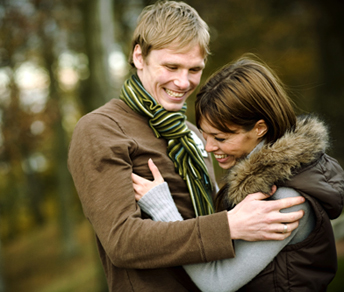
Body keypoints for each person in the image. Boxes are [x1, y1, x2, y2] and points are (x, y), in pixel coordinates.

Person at [68, 2, 305, 291]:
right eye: (171, 66)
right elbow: (122, 242)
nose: (183, 82)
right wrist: (227, 226)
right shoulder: (101, 129)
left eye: (195, 69)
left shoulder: (193, 133)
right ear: (139, 56)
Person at [132, 55, 344, 292]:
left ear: (259, 128)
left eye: (221, 138)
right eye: (205, 134)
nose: (209, 147)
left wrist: (163, 209)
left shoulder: (285, 200)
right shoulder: (268, 179)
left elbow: (216, 282)